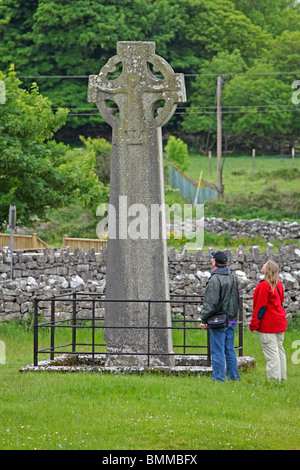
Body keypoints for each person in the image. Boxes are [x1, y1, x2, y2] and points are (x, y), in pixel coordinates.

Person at [200, 250, 241, 382]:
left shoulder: (215, 279)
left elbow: (210, 302)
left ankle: (218, 379)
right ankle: (234, 378)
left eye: (211, 259)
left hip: (219, 320)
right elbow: (237, 299)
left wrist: (204, 319)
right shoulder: (233, 277)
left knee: (217, 351)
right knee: (230, 350)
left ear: (214, 262)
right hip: (232, 319)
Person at [249, 260, 287, 381]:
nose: (262, 265)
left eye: (264, 264)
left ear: (267, 269)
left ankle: (274, 381)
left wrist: (254, 325)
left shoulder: (263, 286)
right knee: (280, 351)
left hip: (268, 325)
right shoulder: (278, 284)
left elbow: (260, 308)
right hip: (280, 322)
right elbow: (281, 301)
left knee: (272, 355)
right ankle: (282, 378)